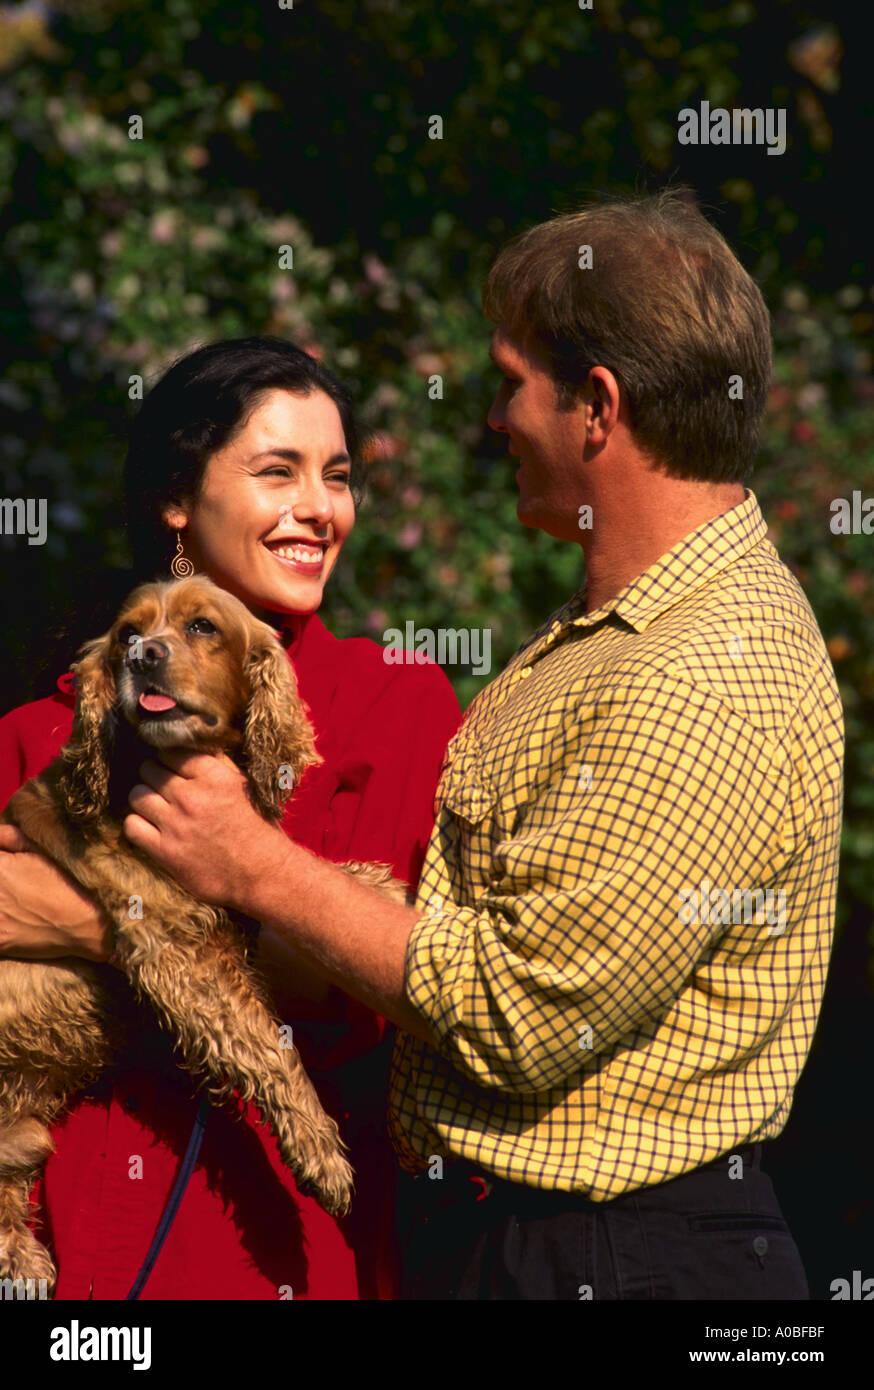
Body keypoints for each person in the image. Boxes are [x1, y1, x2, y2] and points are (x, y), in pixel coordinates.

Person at [95, 190, 845, 1301]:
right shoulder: (613, 636)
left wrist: (246, 865)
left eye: (508, 384)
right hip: (528, 1247)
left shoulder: (702, 670)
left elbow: (517, 1014)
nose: (492, 420)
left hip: (617, 1256)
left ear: (596, 406)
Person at [0, 336, 462, 1300]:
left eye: (336, 477)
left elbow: (372, 991)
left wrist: (82, 923)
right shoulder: (39, 733)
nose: (318, 508)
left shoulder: (394, 707)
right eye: (276, 471)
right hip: (64, 1241)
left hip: (272, 1249)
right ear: (178, 500)